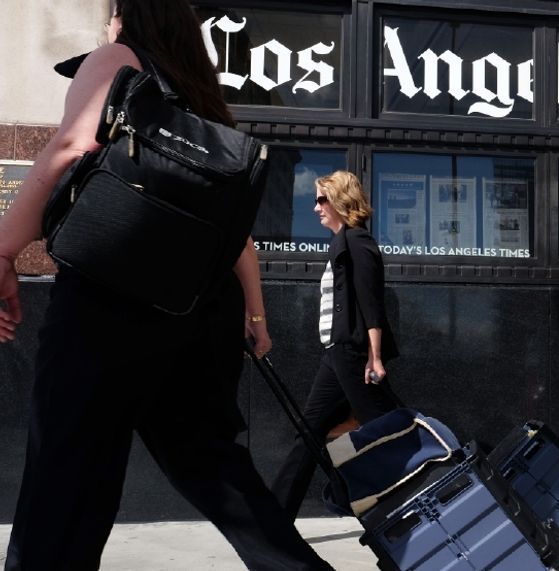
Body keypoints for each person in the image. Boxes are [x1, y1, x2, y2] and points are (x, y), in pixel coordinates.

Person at [0, 2, 334, 569]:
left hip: (109, 300)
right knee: (215, 469)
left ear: (126, 17)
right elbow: (238, 238)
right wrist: (256, 318)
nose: (106, 26)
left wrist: (4, 249)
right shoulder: (205, 100)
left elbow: (70, 147)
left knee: (68, 473)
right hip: (200, 313)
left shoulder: (118, 60)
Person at [271, 170, 401, 520]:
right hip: (336, 354)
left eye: (321, 199)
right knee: (309, 431)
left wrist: (374, 357)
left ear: (341, 200)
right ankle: (275, 516)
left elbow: (372, 305)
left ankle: (417, 495)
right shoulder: (341, 243)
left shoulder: (357, 242)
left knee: (387, 431)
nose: (315, 207)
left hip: (354, 354)